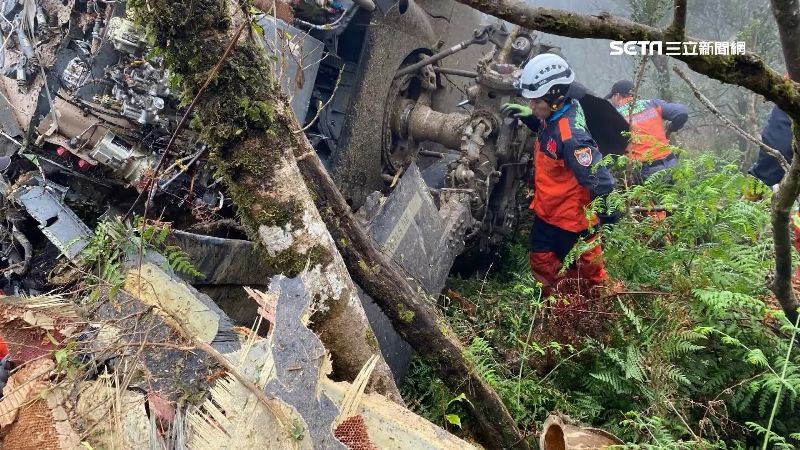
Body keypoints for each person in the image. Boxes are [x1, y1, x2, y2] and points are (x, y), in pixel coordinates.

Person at [501, 53, 619, 298]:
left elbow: (599, 178)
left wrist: (608, 215)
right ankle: (559, 305)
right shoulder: (556, 111)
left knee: (588, 274)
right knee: (542, 262)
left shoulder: (572, 137)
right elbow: (549, 133)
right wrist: (530, 118)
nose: (532, 105)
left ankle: (584, 309)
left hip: (571, 220)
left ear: (556, 97)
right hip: (549, 211)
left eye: (535, 101)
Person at [606, 80, 689, 183]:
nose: (611, 102)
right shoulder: (652, 104)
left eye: (612, 98)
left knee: (652, 199)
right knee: (676, 198)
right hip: (672, 163)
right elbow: (681, 113)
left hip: (647, 170)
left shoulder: (613, 115)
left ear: (617, 96)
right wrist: (672, 128)